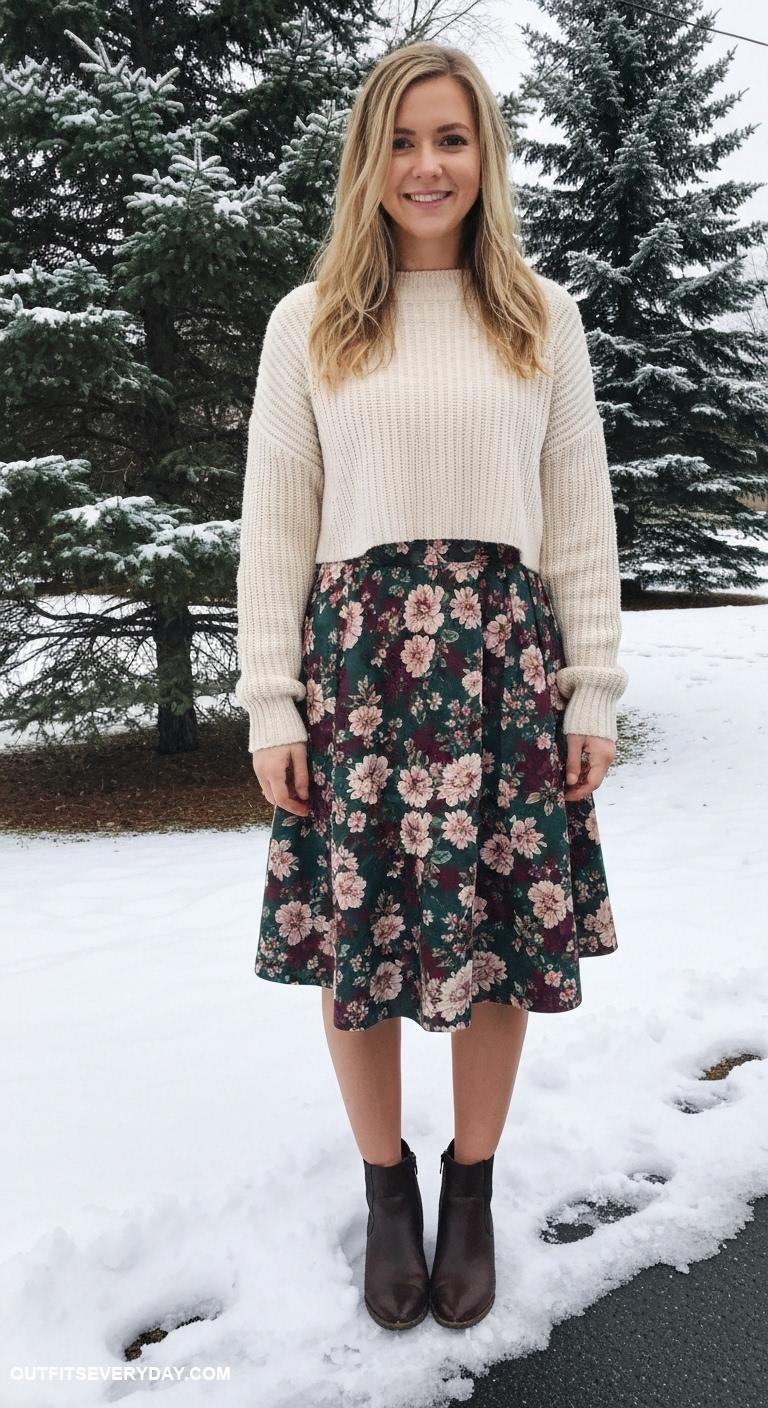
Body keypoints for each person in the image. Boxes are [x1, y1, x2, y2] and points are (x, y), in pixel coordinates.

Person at [235, 41, 629, 1333]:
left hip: (504, 678)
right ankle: (386, 1190)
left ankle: (472, 1188)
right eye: (403, 141)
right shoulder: (311, 322)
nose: (427, 165)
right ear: (370, 159)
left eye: (452, 139)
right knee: (365, 943)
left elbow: (579, 517)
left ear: (485, 158)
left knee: (496, 946)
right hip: (360, 680)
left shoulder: (539, 316)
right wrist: (270, 701)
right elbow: (273, 528)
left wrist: (593, 690)